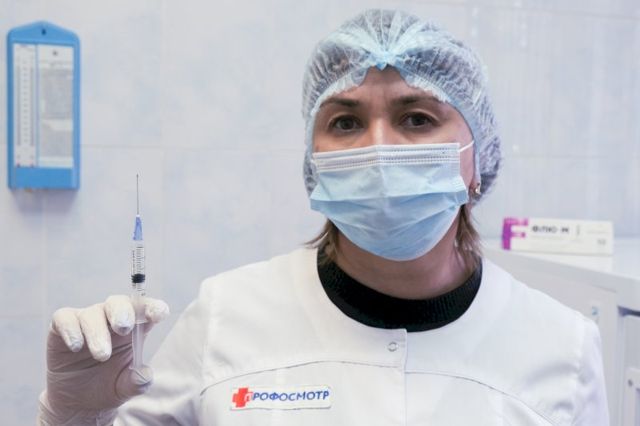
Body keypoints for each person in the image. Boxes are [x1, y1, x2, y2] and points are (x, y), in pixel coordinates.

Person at [38, 9, 609, 425]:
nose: (379, 148)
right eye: (345, 122)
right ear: (313, 160)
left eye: (416, 118)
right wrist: (75, 418)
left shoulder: (563, 349)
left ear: (476, 155)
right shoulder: (226, 316)